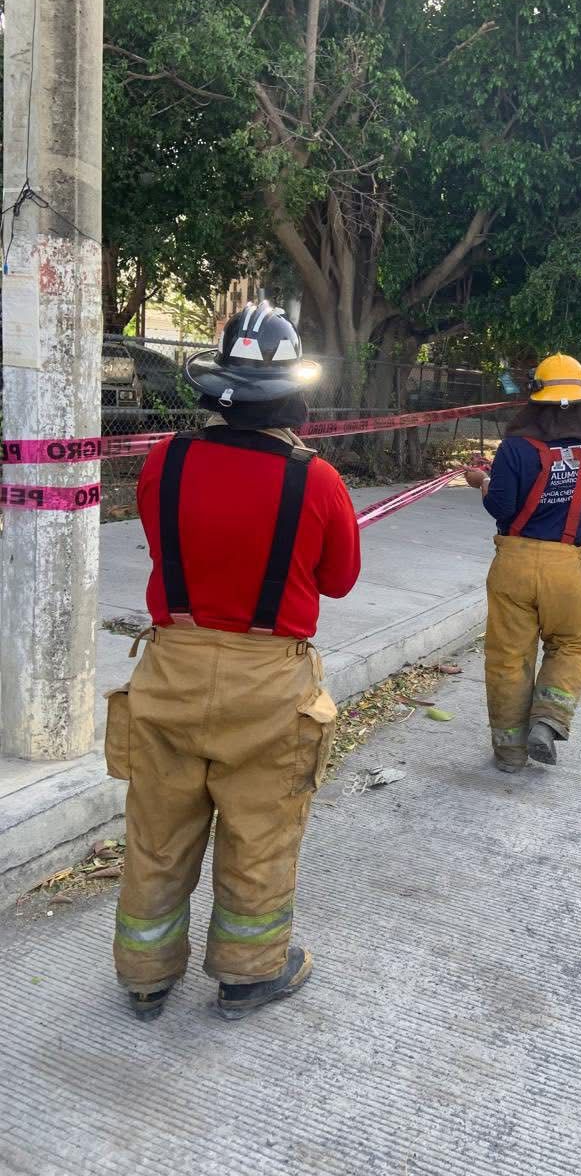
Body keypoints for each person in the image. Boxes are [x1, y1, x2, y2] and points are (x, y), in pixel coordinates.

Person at [104, 302, 360, 1022]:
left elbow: (165, 544)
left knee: (156, 834)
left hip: (172, 673)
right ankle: (248, 977)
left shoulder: (166, 461)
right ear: (292, 393)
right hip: (270, 687)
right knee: (260, 836)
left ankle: (145, 976)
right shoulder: (318, 482)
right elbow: (338, 580)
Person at [465, 354, 581, 773]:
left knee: (509, 657)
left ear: (536, 397)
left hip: (515, 563)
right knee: (571, 643)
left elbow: (502, 505)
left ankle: (509, 753)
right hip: (567, 563)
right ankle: (548, 719)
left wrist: (483, 482)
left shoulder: (514, 447)